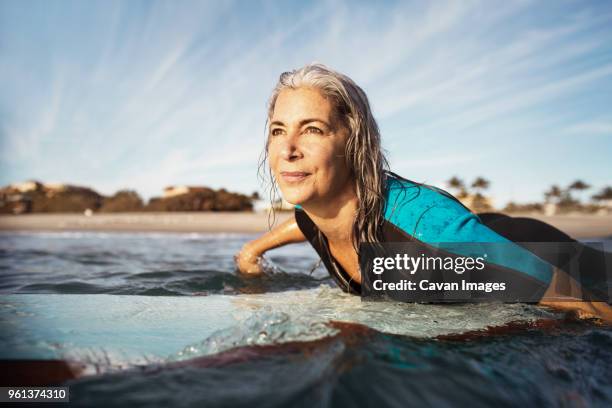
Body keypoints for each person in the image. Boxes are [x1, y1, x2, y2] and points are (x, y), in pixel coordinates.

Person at [235, 63, 611, 322]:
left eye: (312, 129)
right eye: (278, 130)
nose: (288, 149)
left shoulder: (422, 234)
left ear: (354, 143)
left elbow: (579, 301)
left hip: (540, 254)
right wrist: (255, 249)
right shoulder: (317, 210)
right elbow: (303, 223)